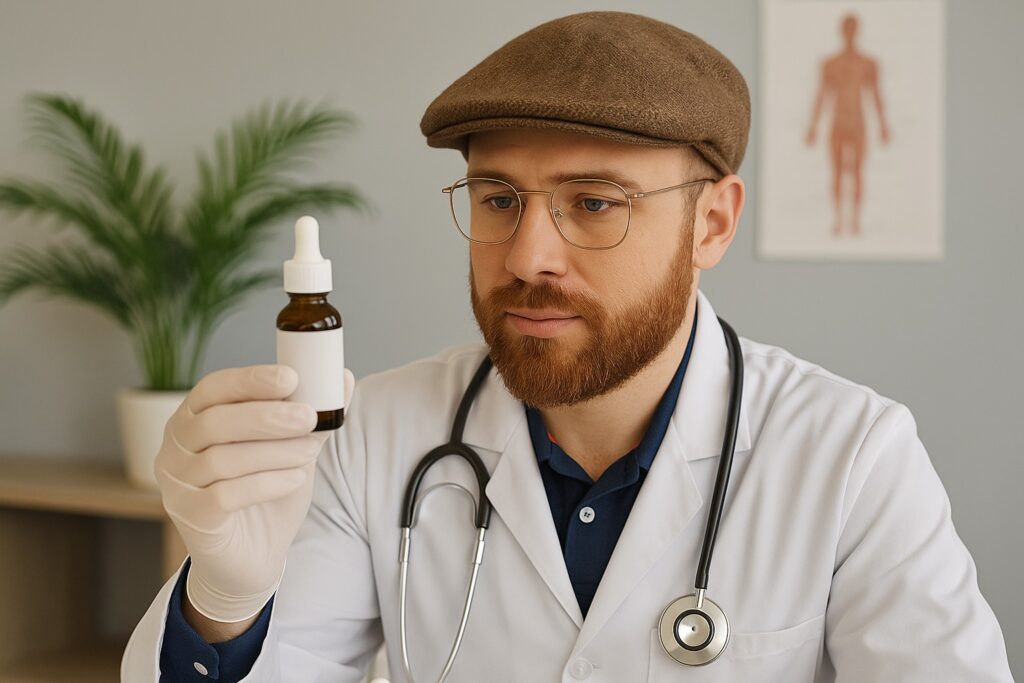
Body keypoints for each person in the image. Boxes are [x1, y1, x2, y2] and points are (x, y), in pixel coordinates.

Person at [122, 11, 1013, 682]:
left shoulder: (852, 455)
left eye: (594, 202)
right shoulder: (375, 434)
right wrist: (224, 603)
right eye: (498, 198)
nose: (528, 257)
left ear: (712, 222)